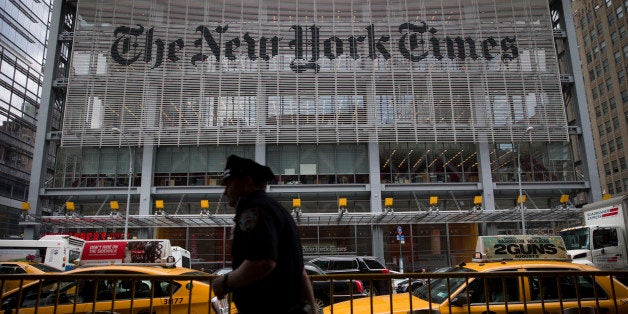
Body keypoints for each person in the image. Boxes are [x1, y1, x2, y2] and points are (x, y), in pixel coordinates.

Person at [212, 155, 315, 314]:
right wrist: (313, 309)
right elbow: (300, 271)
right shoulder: (279, 211)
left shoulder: (253, 210)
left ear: (247, 182)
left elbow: (263, 262)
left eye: (229, 184)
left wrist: (224, 283)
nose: (225, 192)